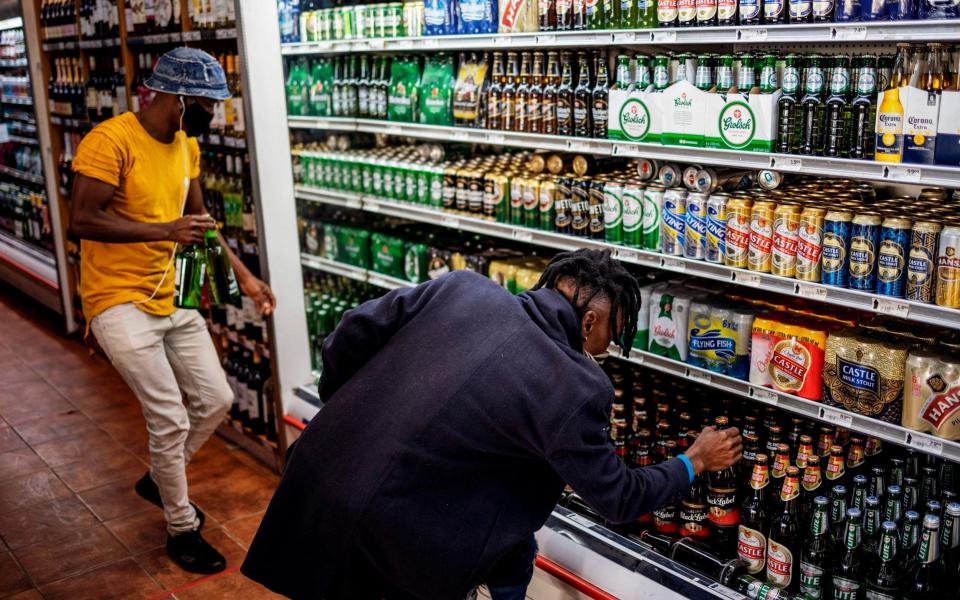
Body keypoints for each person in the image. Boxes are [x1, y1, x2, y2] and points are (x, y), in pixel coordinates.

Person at [242, 249, 741, 599]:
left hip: (320, 474)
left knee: (513, 547)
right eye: (613, 331)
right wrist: (694, 459)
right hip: (396, 533)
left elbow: (349, 332)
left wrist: (351, 408)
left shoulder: (463, 287)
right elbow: (618, 497)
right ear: (588, 321)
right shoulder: (573, 385)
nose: (609, 347)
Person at [69, 48, 275, 574]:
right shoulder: (110, 140)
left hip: (171, 292)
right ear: (177, 98)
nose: (214, 114)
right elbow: (82, 220)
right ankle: (181, 527)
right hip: (116, 299)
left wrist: (245, 278)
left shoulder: (186, 146)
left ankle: (161, 478)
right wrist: (164, 231)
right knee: (169, 416)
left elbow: (199, 221)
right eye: (207, 103)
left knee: (216, 397)